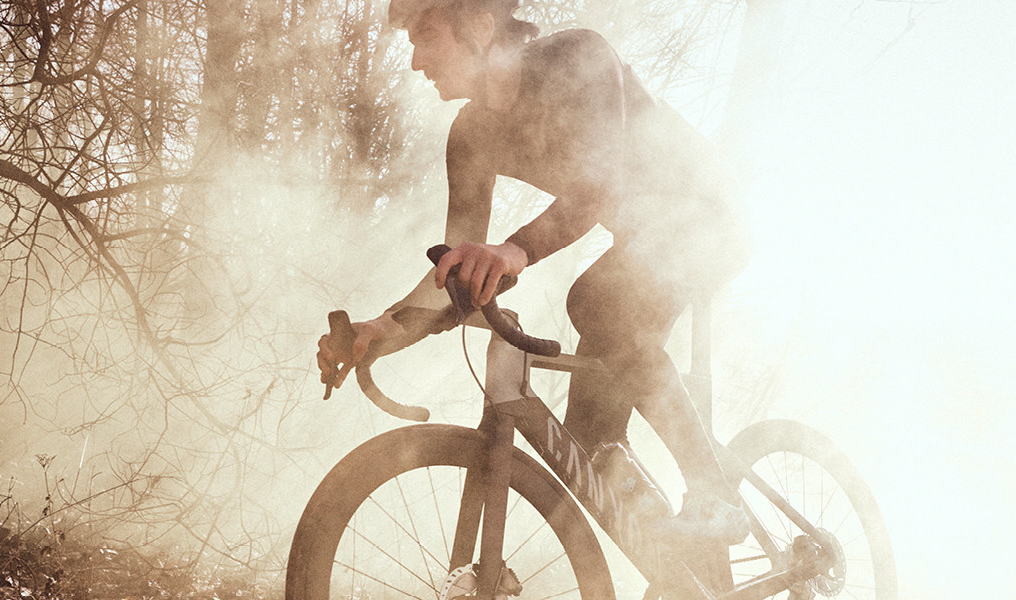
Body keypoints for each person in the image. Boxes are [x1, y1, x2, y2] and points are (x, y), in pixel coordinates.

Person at [313, 0, 751, 547]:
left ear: (478, 25)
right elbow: (454, 272)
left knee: (596, 302)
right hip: (644, 241)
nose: (415, 61)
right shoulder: (470, 135)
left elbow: (600, 185)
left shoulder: (577, 55)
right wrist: (382, 329)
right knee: (589, 442)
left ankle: (718, 499)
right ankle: (673, 554)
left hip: (709, 214)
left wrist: (515, 251)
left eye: (426, 37)